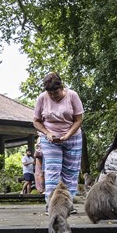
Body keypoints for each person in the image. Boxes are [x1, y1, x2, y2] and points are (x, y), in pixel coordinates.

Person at [32, 72, 84, 208]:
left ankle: (67, 204)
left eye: (56, 92)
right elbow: (36, 121)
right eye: (50, 93)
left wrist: (68, 135)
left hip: (72, 138)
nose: (53, 96)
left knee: (70, 173)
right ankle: (51, 204)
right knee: (52, 171)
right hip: (51, 140)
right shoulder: (42, 98)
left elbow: (79, 120)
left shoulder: (72, 95)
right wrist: (47, 133)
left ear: (61, 87)